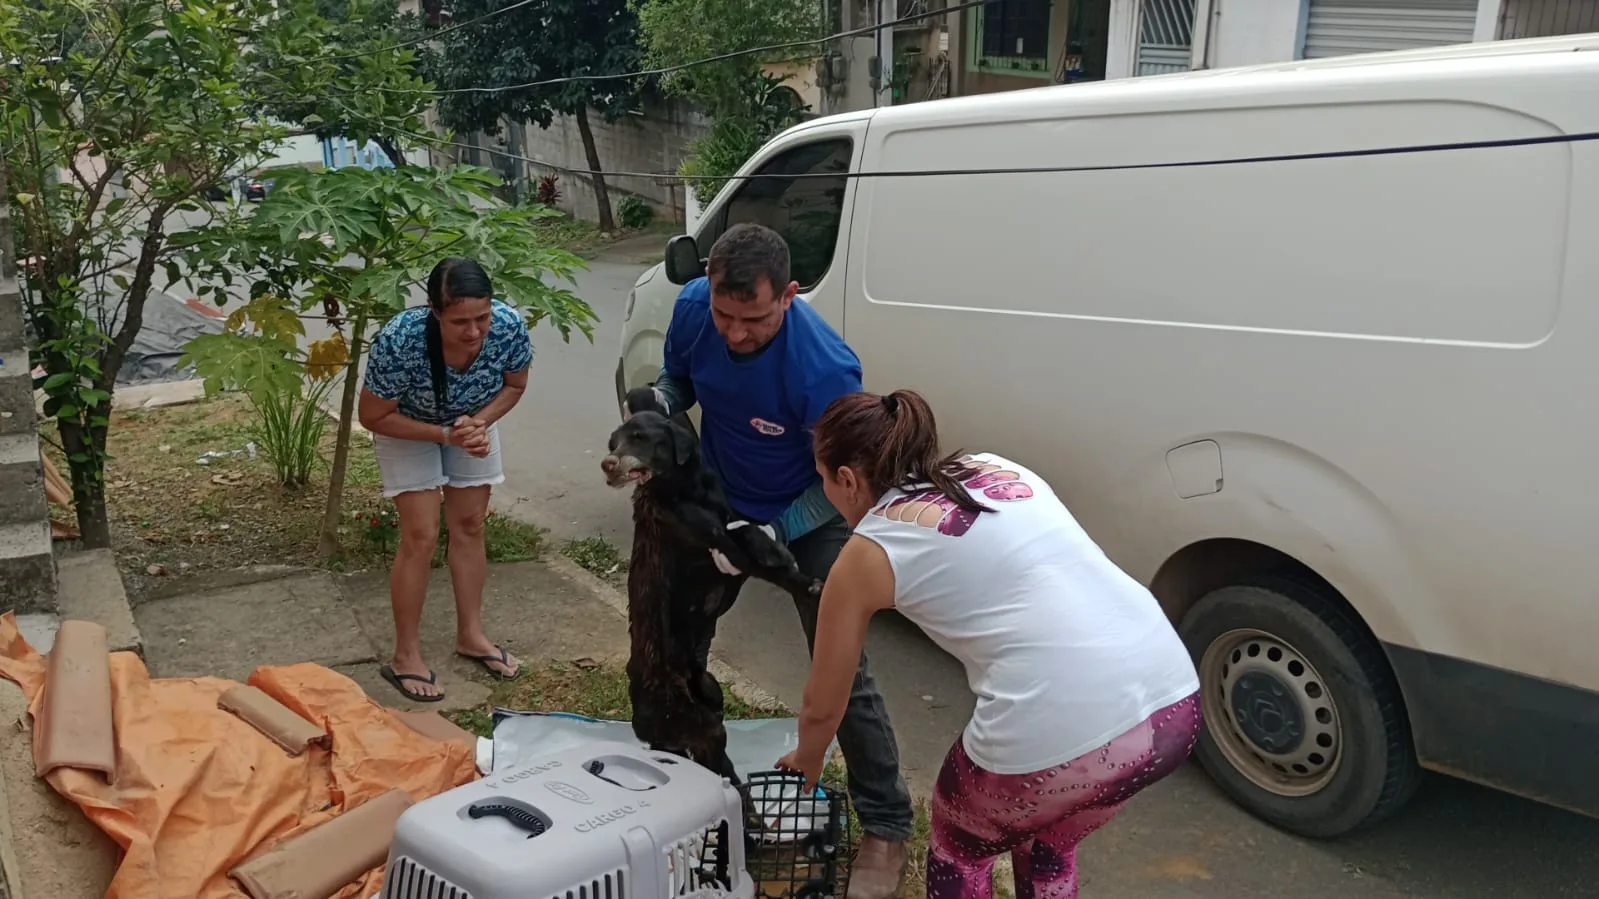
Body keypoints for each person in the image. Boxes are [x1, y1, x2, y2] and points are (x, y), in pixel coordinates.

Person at [778, 389, 1203, 899]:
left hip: (1059, 728)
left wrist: (806, 760)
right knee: (1047, 840)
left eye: (823, 480)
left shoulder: (865, 553)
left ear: (846, 479)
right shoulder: (992, 466)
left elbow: (824, 705)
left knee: (960, 848)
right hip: (1173, 704)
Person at [630, 222, 916, 898]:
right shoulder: (695, 308)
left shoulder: (824, 369)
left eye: (752, 318)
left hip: (806, 518)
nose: (733, 333)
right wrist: (661, 403)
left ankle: (886, 823)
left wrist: (767, 535)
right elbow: (680, 377)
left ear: (788, 295)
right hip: (720, 495)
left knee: (841, 671)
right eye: (725, 315)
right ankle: (685, 766)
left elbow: (840, 483)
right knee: (675, 642)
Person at [357, 256, 531, 703]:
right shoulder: (401, 340)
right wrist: (444, 435)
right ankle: (405, 656)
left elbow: (514, 385)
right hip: (408, 427)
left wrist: (478, 423)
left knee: (471, 524)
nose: (474, 333)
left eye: (482, 318)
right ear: (435, 312)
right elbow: (374, 415)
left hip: (471, 425)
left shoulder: (509, 326)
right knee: (421, 533)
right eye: (460, 322)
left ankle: (471, 635)